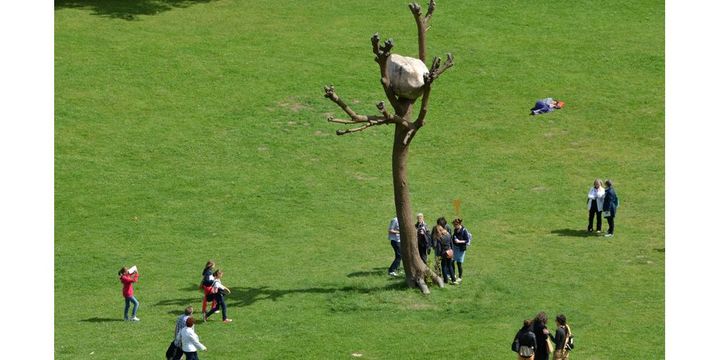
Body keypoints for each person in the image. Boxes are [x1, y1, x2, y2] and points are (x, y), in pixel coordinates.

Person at [451, 218, 472, 282]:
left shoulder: (464, 230)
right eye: (454, 225)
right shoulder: (455, 229)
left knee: (459, 263)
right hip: (455, 247)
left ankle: (460, 277)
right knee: (452, 261)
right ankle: (453, 274)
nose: (454, 226)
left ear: (459, 224)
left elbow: (467, 240)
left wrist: (459, 241)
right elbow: (454, 236)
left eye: (455, 225)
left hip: (461, 249)